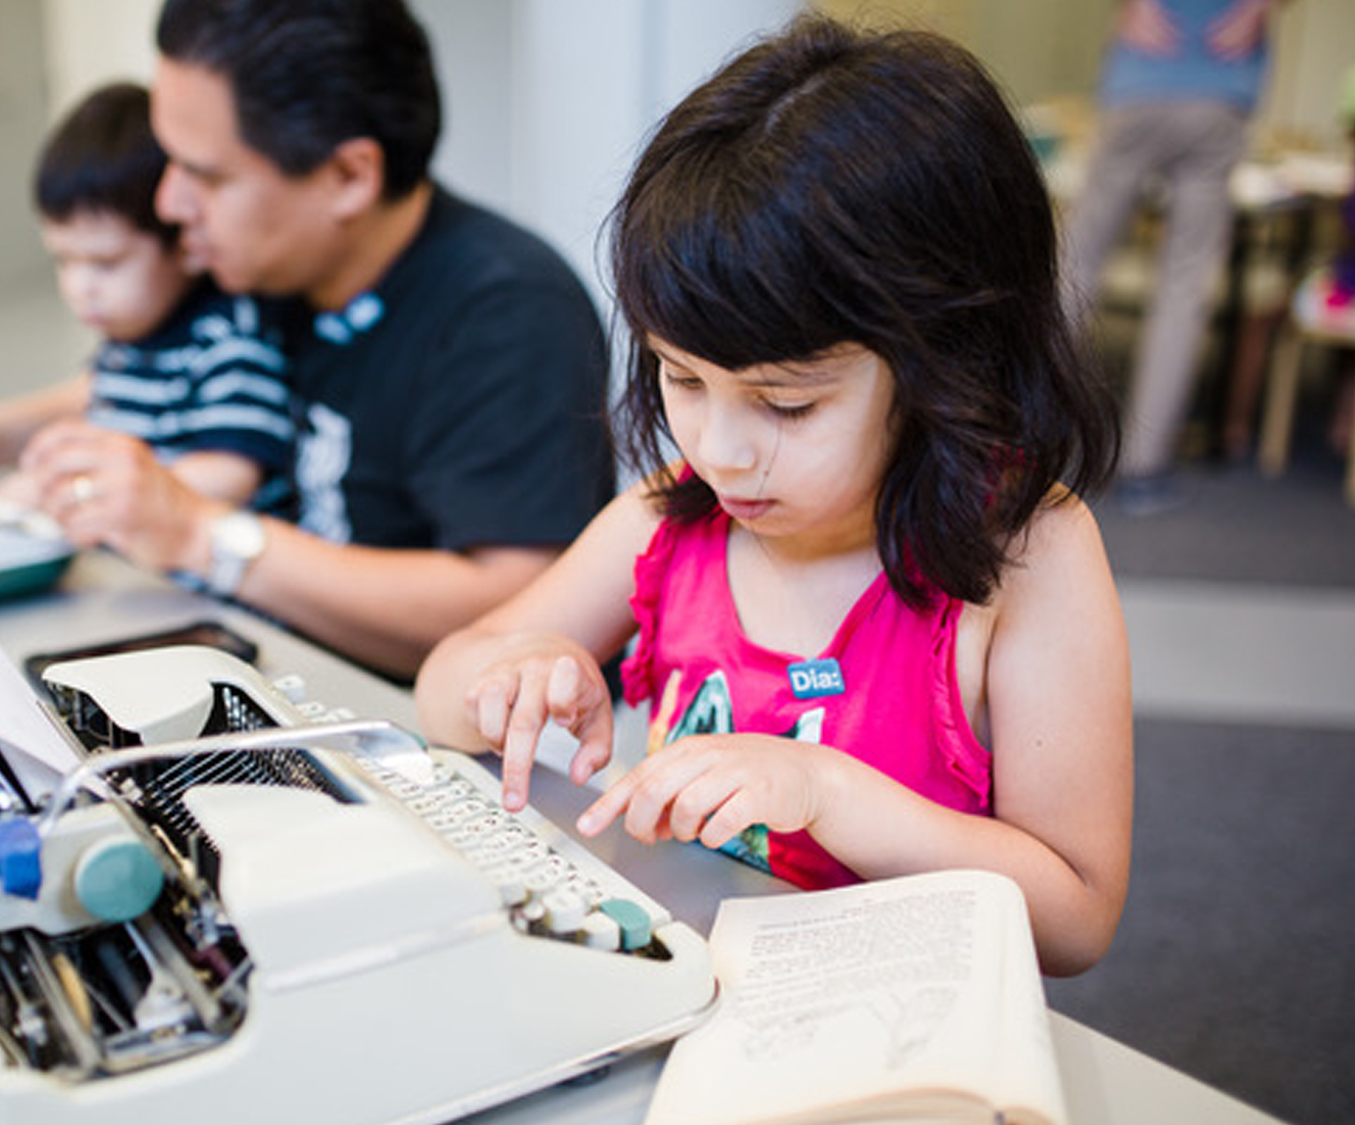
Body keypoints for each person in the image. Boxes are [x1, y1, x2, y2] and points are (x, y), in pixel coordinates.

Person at [415, 16, 1132, 976]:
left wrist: (824, 790)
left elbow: (1075, 919)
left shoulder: (1028, 555)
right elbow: (439, 691)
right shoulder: (676, 516)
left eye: (785, 403)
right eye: (681, 377)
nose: (719, 450)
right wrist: (513, 677)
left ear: (948, 361)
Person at [2, 0, 617, 680]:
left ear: (349, 177)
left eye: (205, 175)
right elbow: (141, 374)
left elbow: (520, 603)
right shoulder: (260, 261)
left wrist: (205, 534)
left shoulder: (506, 311)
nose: (170, 205)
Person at [0, 82, 293, 511]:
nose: (80, 287)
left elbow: (230, 474)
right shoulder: (132, 341)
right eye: (64, 261)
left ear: (186, 244)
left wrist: (72, 492)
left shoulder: (229, 345)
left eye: (106, 263)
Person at [1059, 0, 1284, 513]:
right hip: (1219, 89)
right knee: (1183, 289)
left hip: (1141, 80)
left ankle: (1005, 435)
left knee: (1076, 263)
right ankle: (1143, 469)